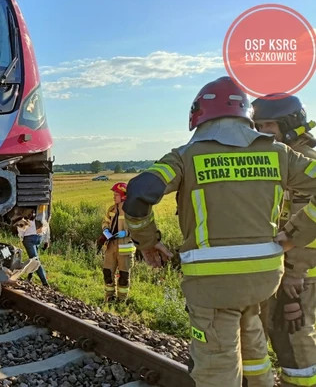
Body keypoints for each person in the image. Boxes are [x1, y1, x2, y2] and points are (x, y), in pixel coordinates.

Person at [121, 76, 316, 387]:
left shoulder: (185, 156)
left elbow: (139, 193)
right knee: (253, 345)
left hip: (212, 285)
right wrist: (295, 233)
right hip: (264, 278)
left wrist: (147, 243)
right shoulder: (278, 153)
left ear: (198, 115)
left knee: (216, 364)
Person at [252, 93, 316, 387]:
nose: (263, 132)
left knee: (295, 337)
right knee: (278, 333)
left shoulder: (306, 162)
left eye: (269, 125)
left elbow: (310, 225)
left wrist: (294, 274)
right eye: (258, 125)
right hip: (285, 266)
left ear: (290, 126)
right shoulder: (281, 157)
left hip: (301, 273)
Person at [100, 182, 136, 302]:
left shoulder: (131, 211)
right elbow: (105, 222)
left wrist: (126, 233)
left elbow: (137, 227)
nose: (114, 197)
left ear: (124, 196)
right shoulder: (111, 209)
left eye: (116, 195)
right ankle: (109, 298)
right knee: (107, 273)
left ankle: (121, 300)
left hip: (124, 247)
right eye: (114, 194)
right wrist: (106, 230)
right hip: (111, 246)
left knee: (123, 276)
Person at [16, 215, 50, 286]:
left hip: (29, 238)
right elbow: (46, 224)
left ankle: (45, 282)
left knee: (35, 260)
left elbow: (20, 227)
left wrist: (21, 238)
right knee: (33, 257)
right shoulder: (41, 213)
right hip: (39, 237)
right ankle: (29, 277)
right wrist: (46, 240)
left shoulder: (25, 212)